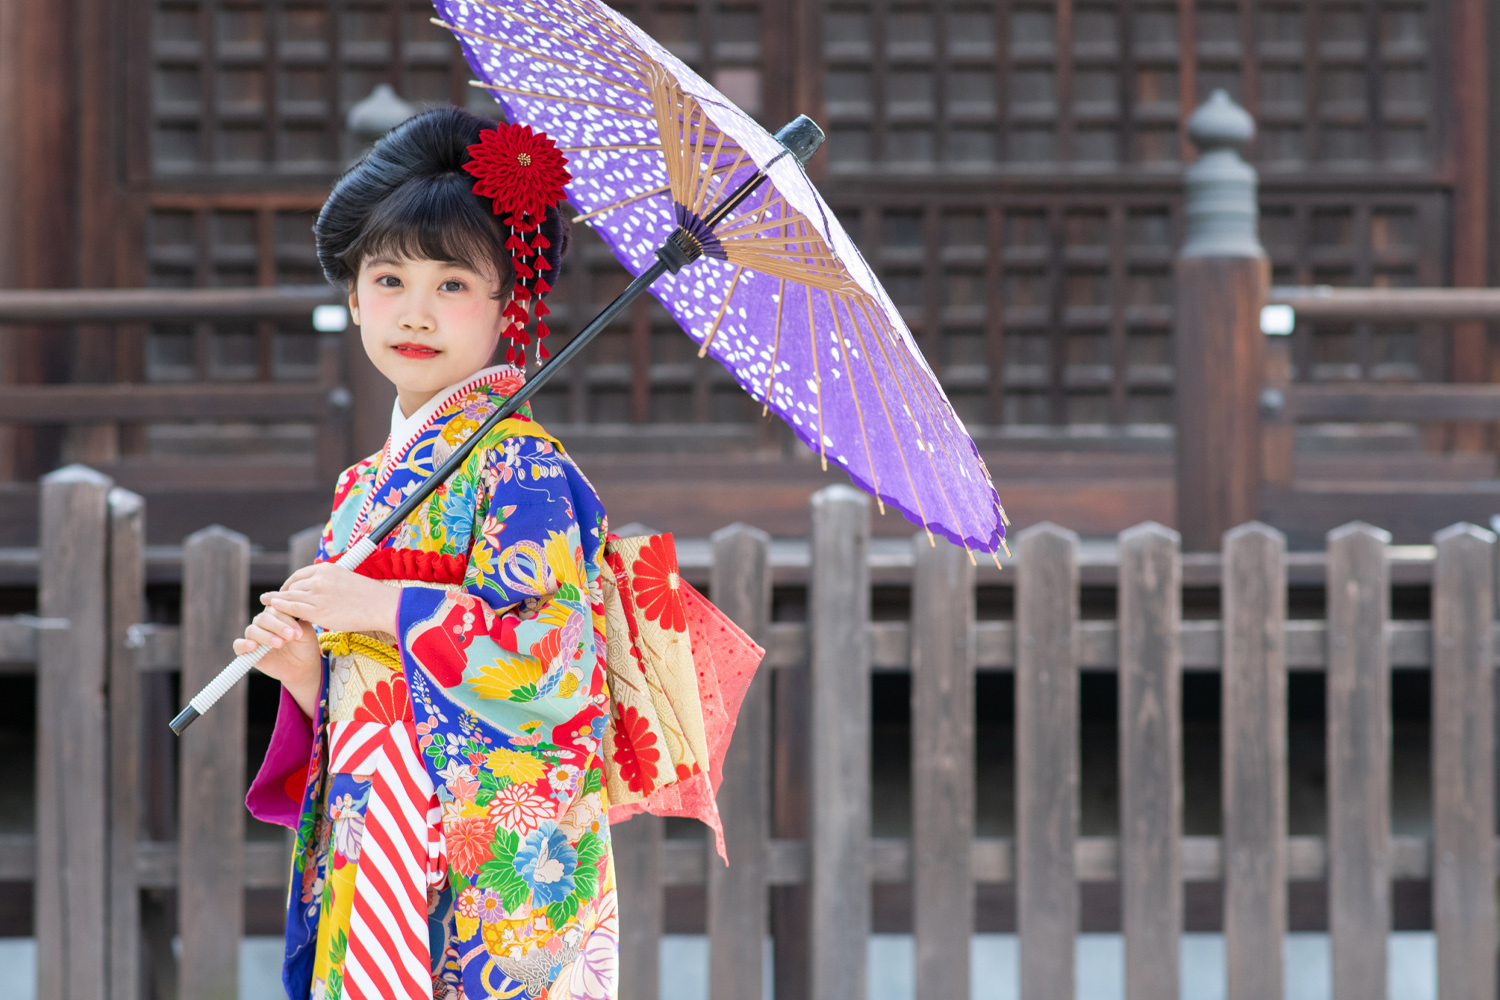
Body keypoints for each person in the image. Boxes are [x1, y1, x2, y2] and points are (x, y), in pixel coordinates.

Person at [242, 106, 618, 1000]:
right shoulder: (359, 484)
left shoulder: (523, 466)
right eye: (388, 279)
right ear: (351, 298)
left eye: (453, 284)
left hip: (491, 859)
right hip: (372, 831)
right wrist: (307, 677)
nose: (415, 312)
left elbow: (554, 668)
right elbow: (363, 689)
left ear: (509, 304)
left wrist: (379, 609)